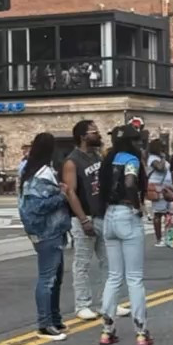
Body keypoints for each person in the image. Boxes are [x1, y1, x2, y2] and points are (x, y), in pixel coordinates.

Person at [97, 127, 152, 345]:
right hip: (126, 215)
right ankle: (141, 331)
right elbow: (130, 182)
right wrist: (137, 207)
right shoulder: (132, 159)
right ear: (134, 142)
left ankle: (107, 330)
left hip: (109, 215)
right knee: (135, 278)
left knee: (113, 276)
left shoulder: (107, 160)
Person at [19, 132, 71, 339]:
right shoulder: (41, 175)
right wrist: (61, 196)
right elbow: (35, 206)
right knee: (48, 278)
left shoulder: (34, 171)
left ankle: (54, 319)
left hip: (52, 230)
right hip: (48, 231)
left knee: (55, 278)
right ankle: (44, 323)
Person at [62, 119, 105, 318]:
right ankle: (82, 304)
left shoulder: (96, 156)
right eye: (93, 132)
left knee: (108, 261)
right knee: (82, 263)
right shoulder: (72, 161)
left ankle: (108, 301)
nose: (97, 134)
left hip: (101, 213)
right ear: (82, 136)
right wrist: (82, 219)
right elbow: (70, 192)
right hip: (84, 216)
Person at [146, 141, 173, 246]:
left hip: (167, 187)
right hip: (158, 187)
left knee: (170, 213)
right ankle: (159, 239)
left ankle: (170, 238)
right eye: (161, 147)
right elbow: (160, 168)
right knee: (158, 213)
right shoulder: (152, 159)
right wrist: (163, 157)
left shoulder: (162, 158)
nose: (163, 149)